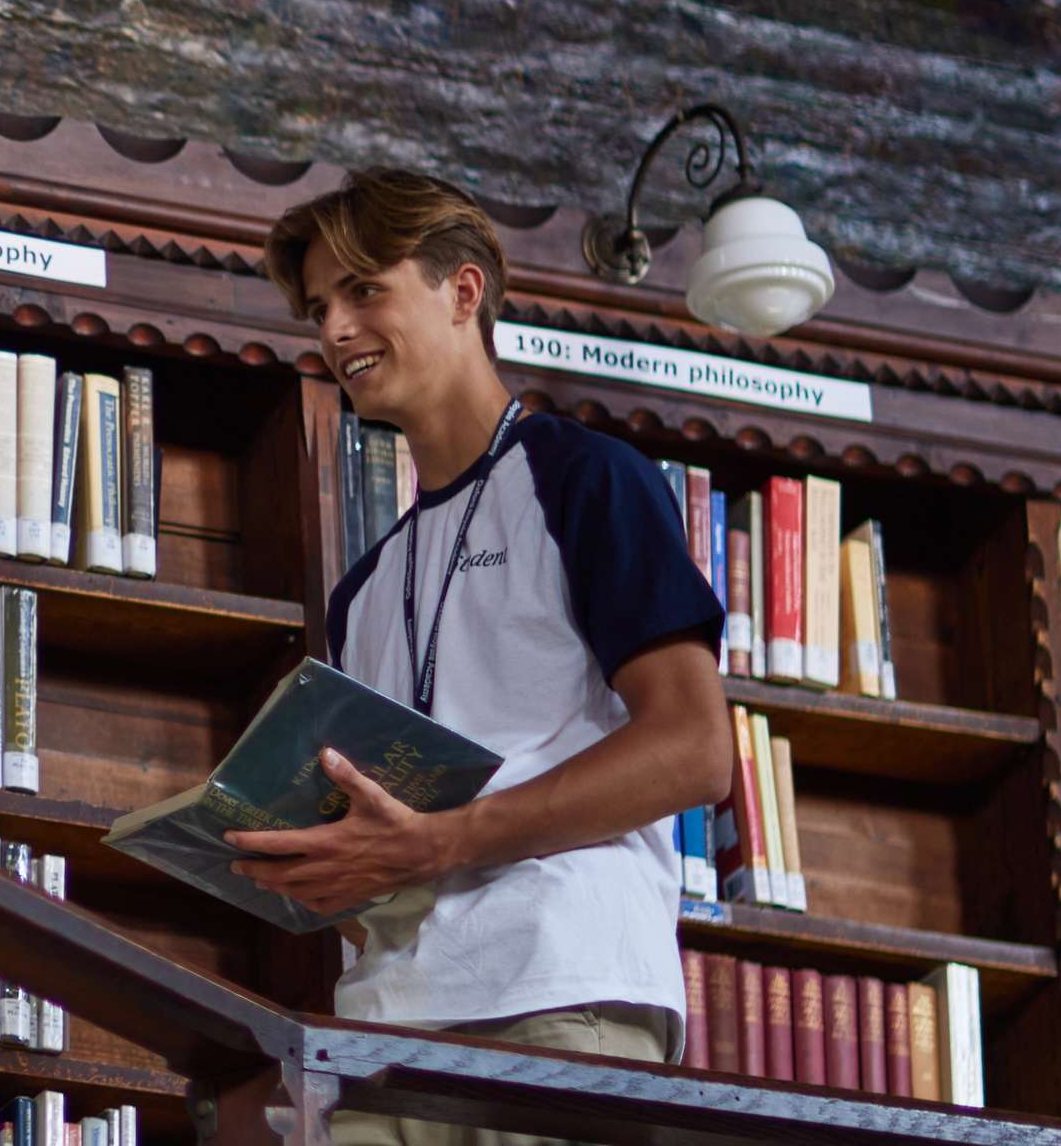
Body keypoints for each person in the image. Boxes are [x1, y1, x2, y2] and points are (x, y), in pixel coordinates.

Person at [236, 169, 736, 1146]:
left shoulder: (586, 480)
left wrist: (440, 840)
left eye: (364, 289)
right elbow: (380, 837)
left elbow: (695, 750)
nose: (334, 329)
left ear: (463, 292)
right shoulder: (365, 588)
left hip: (560, 1001)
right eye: (318, 306)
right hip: (385, 1032)